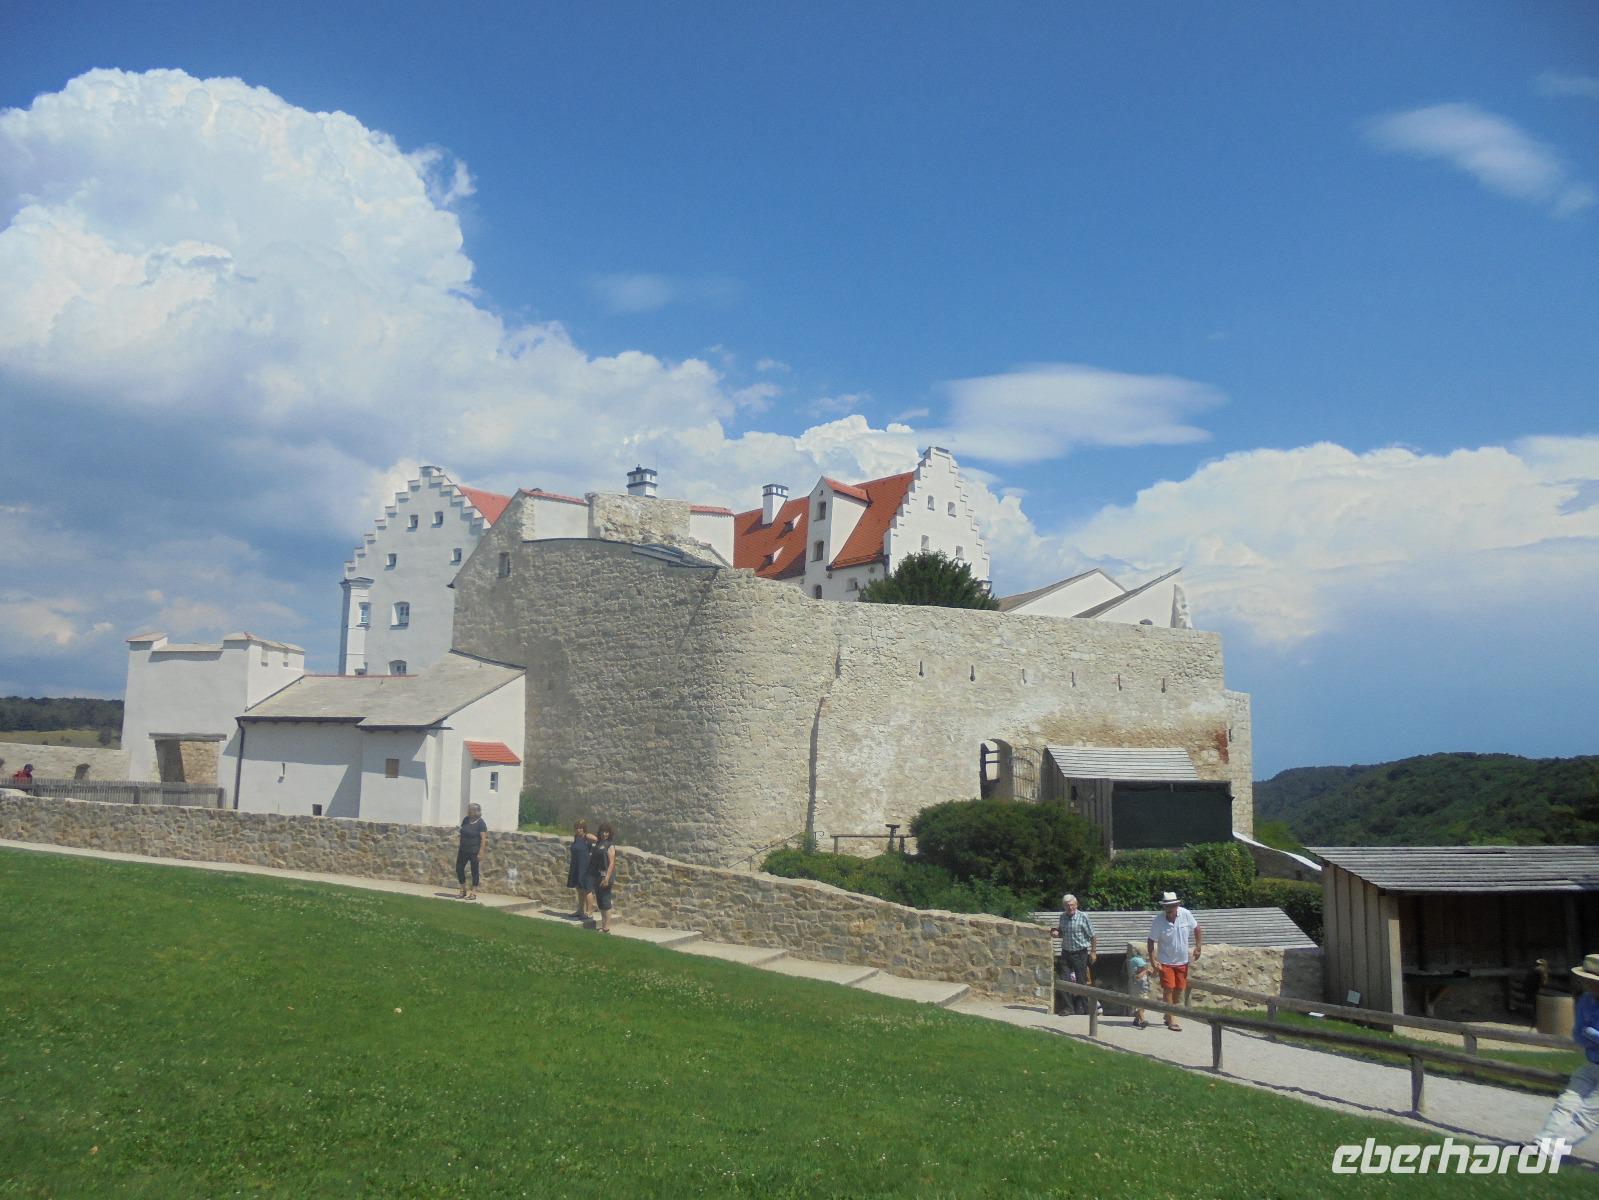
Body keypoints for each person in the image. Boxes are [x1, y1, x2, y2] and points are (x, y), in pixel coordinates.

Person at [1535, 952, 1599, 1151]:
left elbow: (1584, 1032)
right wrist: (1591, 1035)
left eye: (1593, 980)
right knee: (1566, 1102)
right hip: (1592, 1063)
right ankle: (1542, 1142)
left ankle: (1551, 1148)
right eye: (1587, 979)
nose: (1588, 984)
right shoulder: (1586, 1001)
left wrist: (1591, 1034)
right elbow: (1577, 1035)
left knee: (1588, 1115)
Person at [1147, 890, 1202, 1032]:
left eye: (1172, 906)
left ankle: (1167, 1013)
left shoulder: (1186, 914)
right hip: (1166, 961)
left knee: (1179, 989)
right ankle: (1172, 1019)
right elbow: (1151, 941)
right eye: (1167, 906)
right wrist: (1153, 960)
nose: (1169, 909)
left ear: (1177, 905)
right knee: (1168, 988)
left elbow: (1196, 928)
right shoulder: (1158, 921)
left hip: (1182, 961)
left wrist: (1198, 947)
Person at [1055, 893, 1098, 1016]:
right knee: (1064, 980)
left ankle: (1085, 1008)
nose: (1070, 908)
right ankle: (1069, 1008)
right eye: (1067, 905)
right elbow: (1062, 933)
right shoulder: (1062, 917)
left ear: (1076, 904)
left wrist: (1093, 952)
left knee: (1081, 981)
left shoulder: (1083, 917)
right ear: (1064, 906)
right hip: (1066, 952)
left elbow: (1093, 936)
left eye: (1072, 905)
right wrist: (1057, 934)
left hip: (1080, 953)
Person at [455, 802, 488, 900]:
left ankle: (473, 892)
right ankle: (463, 890)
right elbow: (462, 831)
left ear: (476, 811)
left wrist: (481, 852)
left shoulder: (481, 823)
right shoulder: (465, 820)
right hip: (463, 849)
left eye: (470, 810)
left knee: (474, 871)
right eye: (469, 809)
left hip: (474, 850)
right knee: (459, 868)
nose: (468, 811)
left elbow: (483, 839)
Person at [587, 822, 616, 933]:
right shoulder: (598, 843)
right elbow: (588, 836)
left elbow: (611, 863)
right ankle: (604, 925)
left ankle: (606, 928)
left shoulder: (610, 845)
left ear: (610, 833)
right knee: (600, 902)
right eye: (603, 832)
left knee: (605, 901)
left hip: (606, 876)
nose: (604, 834)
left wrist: (607, 878)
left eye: (607, 832)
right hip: (597, 876)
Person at [566, 819, 594, 919]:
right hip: (576, 866)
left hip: (585, 867)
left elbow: (599, 841)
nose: (579, 829)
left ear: (584, 829)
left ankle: (589, 911)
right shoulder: (576, 837)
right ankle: (580, 911)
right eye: (577, 827)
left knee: (587, 889)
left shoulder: (587, 837)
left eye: (581, 828)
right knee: (579, 889)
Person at [1127, 952, 1152, 1029]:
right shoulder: (1134, 974)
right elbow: (1137, 978)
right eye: (1140, 967)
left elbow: (1152, 974)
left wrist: (1155, 970)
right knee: (1139, 1007)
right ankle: (1143, 1021)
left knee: (1143, 1007)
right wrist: (1145, 971)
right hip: (1137, 994)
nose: (1143, 967)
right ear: (1135, 968)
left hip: (1144, 993)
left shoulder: (1143, 972)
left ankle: (1136, 1020)